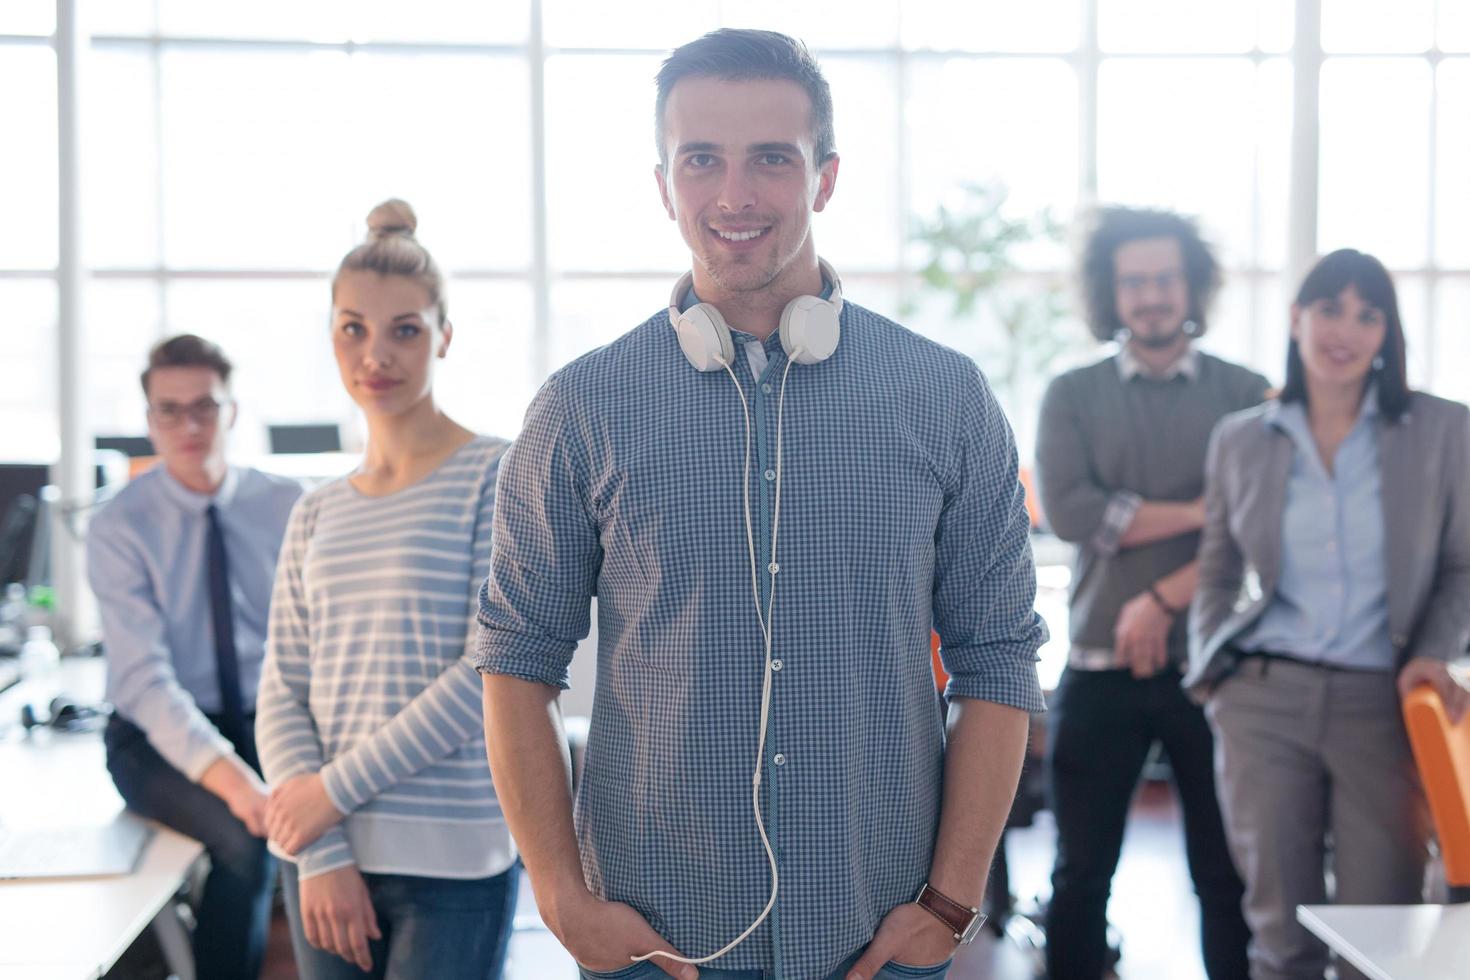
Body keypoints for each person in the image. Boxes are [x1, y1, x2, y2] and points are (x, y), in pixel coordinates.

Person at [476, 28, 1046, 980]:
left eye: (771, 160)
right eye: (702, 160)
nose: (734, 196)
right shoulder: (580, 409)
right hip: (655, 943)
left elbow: (999, 660)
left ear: (824, 177)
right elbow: (513, 660)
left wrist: (950, 902)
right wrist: (563, 900)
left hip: (879, 938)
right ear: (664, 183)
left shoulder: (946, 399)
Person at [1188, 248, 1470, 980]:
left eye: (1367, 314)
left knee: (1377, 935)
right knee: (1281, 935)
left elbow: (1462, 566)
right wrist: (1214, 679)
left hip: (1380, 700)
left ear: (1387, 331)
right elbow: (1217, 566)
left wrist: (1434, 650)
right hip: (1262, 701)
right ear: (1296, 318)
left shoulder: (1444, 431)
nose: (1345, 329)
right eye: (1329, 309)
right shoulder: (1241, 438)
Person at [255, 200, 518, 979]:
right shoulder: (316, 510)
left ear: (444, 334)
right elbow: (283, 689)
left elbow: (488, 672)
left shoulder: (497, 475)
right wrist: (321, 845)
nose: (377, 353)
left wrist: (329, 795)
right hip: (324, 860)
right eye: (353, 329)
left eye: (405, 329)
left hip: (454, 862)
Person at [1035, 206, 1264, 980]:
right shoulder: (1072, 392)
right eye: (1134, 282)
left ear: (1192, 284)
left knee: (1225, 877)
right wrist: (1209, 512)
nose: (1152, 295)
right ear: (1111, 292)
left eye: (1166, 278)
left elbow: (1262, 531)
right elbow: (1072, 512)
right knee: (1079, 877)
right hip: (1100, 666)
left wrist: (1163, 596)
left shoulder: (1246, 392)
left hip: (1216, 666)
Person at [89, 334, 302, 980]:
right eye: (169, 410)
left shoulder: (288, 504)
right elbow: (147, 684)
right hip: (154, 736)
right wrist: (241, 787)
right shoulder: (119, 525)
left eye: (204, 407)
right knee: (244, 847)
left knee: (336, 823)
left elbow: (311, 642)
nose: (188, 426)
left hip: (267, 717)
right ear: (149, 419)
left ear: (232, 411)